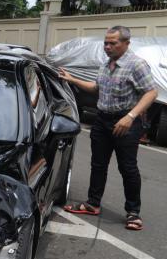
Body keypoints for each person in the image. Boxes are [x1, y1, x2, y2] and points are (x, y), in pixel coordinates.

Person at [60, 25, 157, 231]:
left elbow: (151, 93)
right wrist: (72, 79)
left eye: (113, 43)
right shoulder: (106, 64)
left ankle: (133, 212)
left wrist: (130, 117)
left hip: (126, 123)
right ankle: (93, 203)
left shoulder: (136, 65)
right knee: (98, 164)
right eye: (106, 42)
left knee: (127, 168)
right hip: (102, 121)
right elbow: (97, 88)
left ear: (126, 43)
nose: (107, 46)